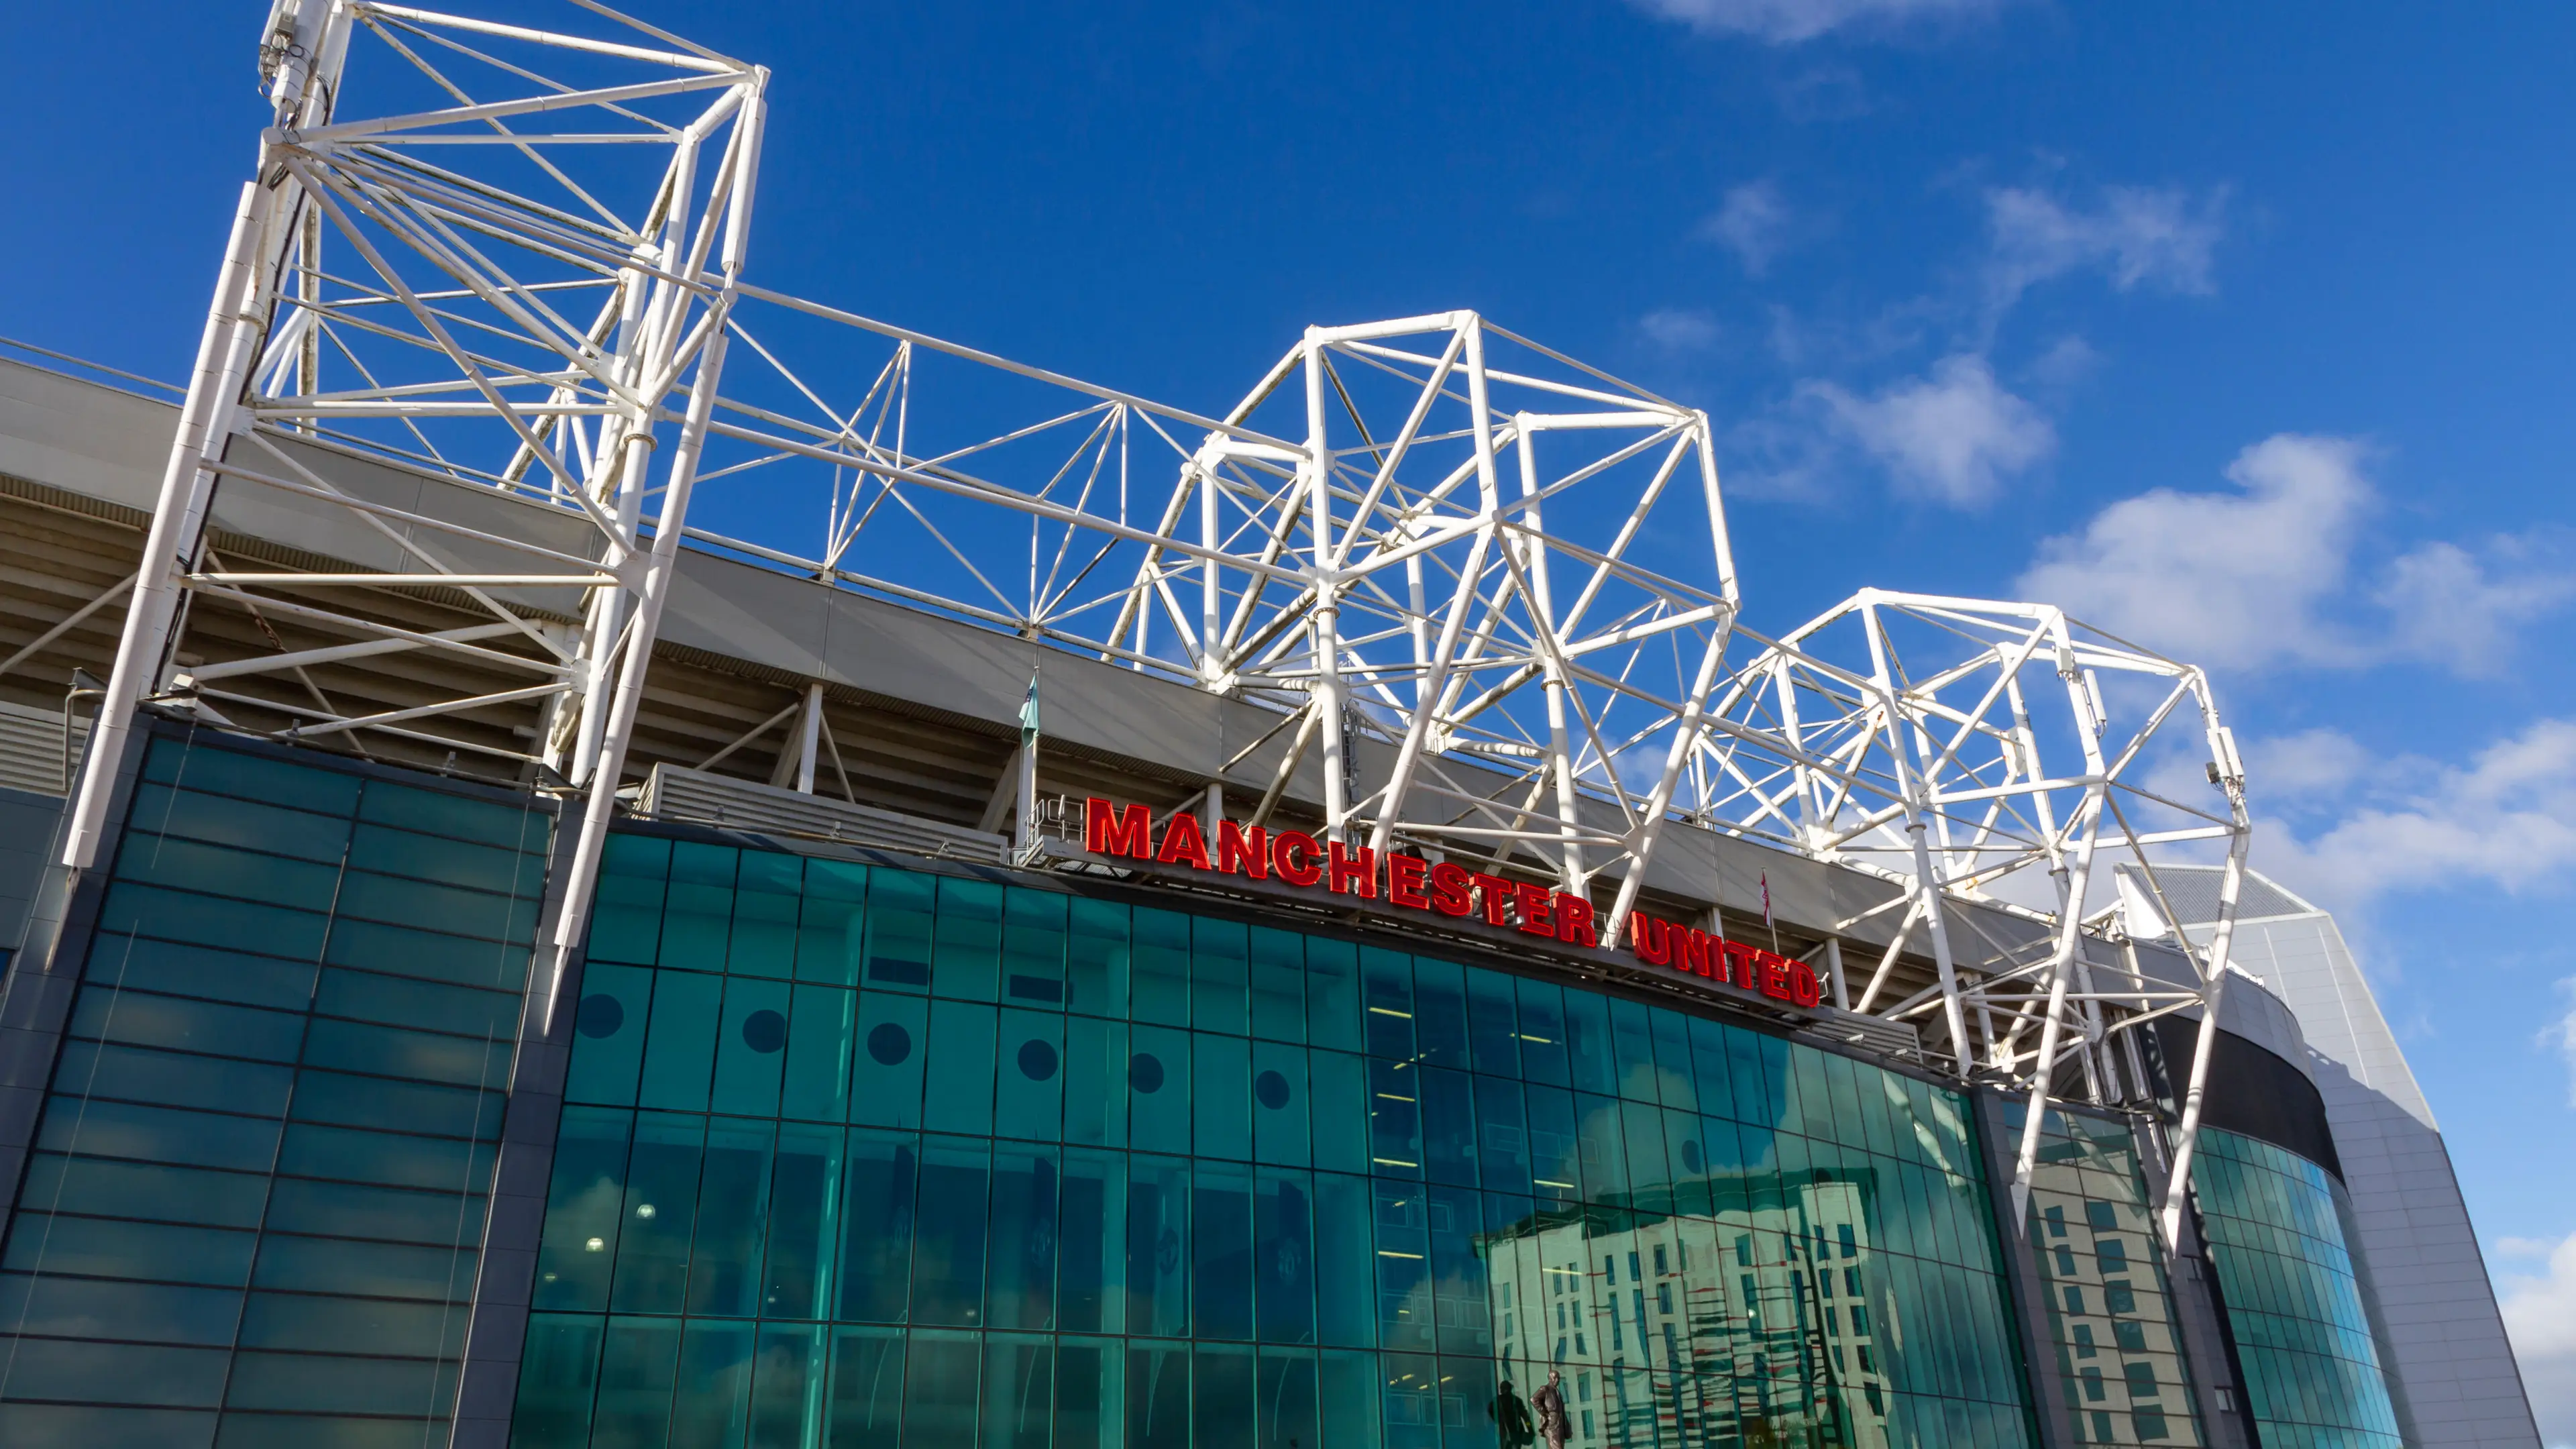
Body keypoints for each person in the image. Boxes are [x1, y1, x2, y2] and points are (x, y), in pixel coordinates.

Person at [1531, 1368, 1570, 1449]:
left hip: (1560, 1424)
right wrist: (1544, 1413)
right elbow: (1534, 1399)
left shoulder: (1557, 1391)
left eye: (1558, 1378)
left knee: (1560, 1446)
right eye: (1555, 1377)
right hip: (1552, 1424)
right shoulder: (1545, 1389)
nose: (1557, 1380)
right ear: (1550, 1379)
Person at [1493, 1379, 1536, 1448]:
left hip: (1504, 1434)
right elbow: (1526, 1418)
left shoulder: (1497, 1401)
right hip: (1516, 1433)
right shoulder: (1517, 1401)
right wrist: (1530, 1430)